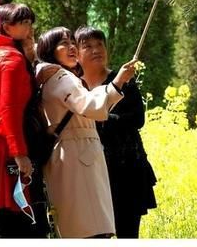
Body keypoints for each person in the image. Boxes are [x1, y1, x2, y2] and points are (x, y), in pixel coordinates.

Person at [34, 27, 137, 238]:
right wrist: (117, 82)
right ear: (49, 50)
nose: (72, 47)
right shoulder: (61, 77)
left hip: (75, 157)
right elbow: (89, 105)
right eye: (63, 44)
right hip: (77, 160)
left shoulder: (55, 77)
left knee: (84, 228)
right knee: (90, 231)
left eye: (73, 42)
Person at [75, 26, 157, 238]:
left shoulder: (123, 80)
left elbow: (138, 119)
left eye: (100, 45)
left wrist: (97, 115)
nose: (96, 50)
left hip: (126, 169)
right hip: (89, 173)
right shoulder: (73, 86)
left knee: (127, 233)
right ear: (76, 53)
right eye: (88, 46)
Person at [0, 3, 47, 238]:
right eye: (24, 22)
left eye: (30, 21)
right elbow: (9, 109)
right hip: (3, 146)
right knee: (13, 219)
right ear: (6, 27)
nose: (30, 27)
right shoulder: (12, 60)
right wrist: (19, 153)